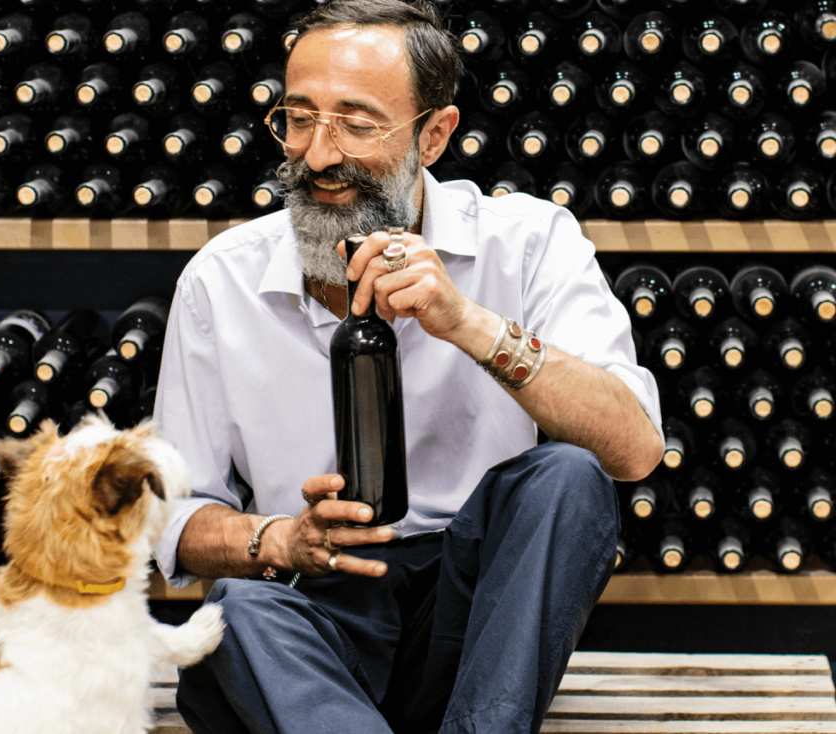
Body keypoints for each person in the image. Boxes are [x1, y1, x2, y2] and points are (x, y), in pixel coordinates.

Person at [153, 1, 664, 732]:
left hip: (474, 621)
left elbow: (635, 446)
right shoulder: (219, 282)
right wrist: (279, 540)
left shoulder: (526, 242)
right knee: (237, 610)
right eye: (299, 118)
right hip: (316, 609)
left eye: (357, 125)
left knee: (568, 476)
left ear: (435, 134)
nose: (319, 155)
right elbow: (172, 518)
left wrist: (470, 324)